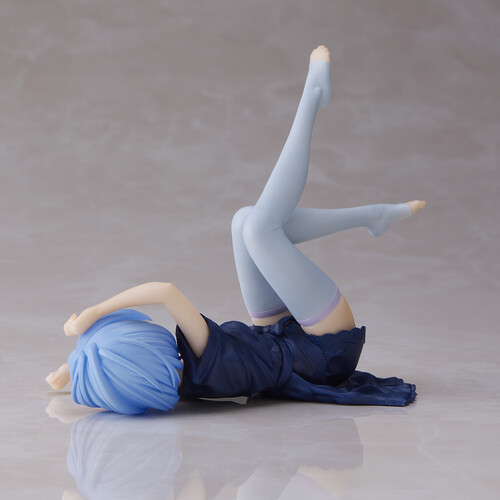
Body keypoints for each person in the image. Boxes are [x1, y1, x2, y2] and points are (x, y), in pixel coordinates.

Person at [46, 46, 424, 414]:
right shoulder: (203, 358)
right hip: (322, 354)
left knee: (243, 220)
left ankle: (370, 217)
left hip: (272, 338)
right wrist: (96, 311)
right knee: (259, 227)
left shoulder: (178, 383)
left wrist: (75, 370)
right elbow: (164, 292)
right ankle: (312, 100)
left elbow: (123, 372)